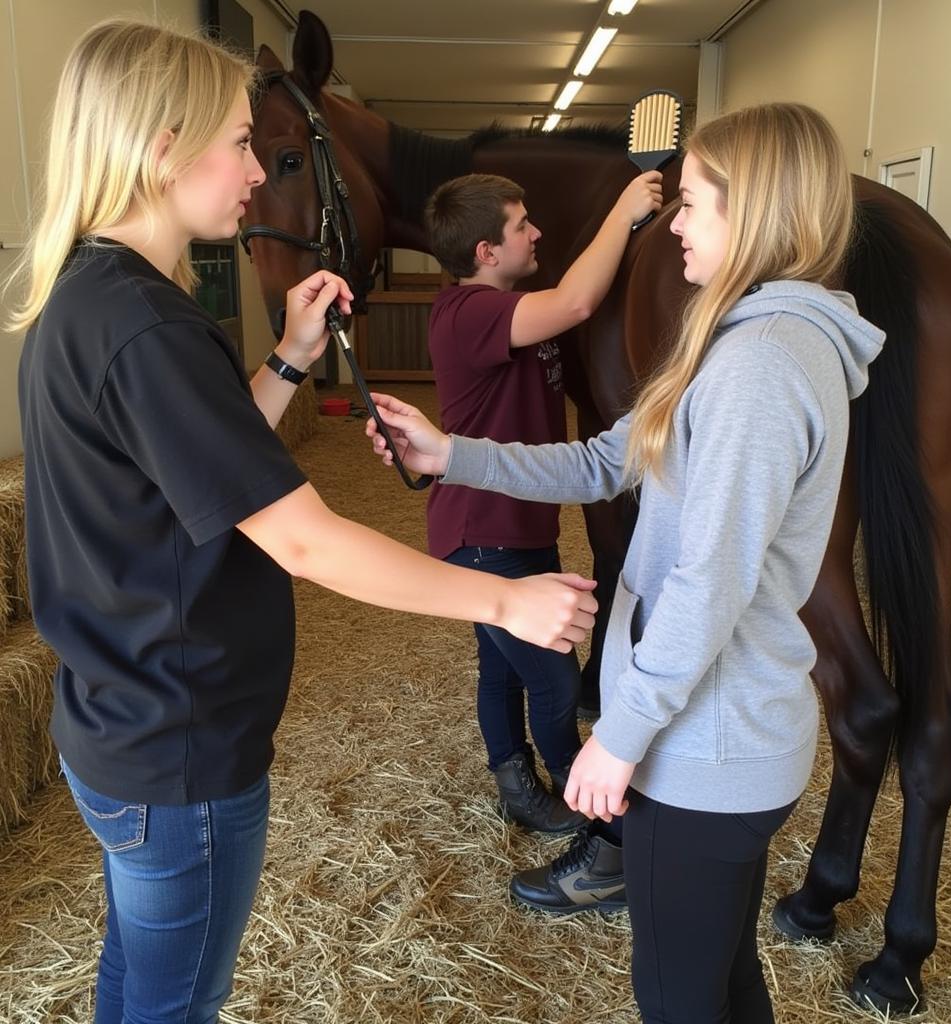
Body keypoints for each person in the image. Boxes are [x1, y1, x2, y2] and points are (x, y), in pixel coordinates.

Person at [6, 20, 597, 1024]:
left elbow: (199, 468)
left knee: (141, 981)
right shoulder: (147, 327)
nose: (251, 171)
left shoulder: (98, 300)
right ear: (161, 145)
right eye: (239, 143)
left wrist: (287, 357)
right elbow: (303, 536)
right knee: (181, 1001)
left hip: (127, 729)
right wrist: (505, 594)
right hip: (179, 753)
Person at [367, 103, 886, 1024]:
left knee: (676, 998)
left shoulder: (761, 363)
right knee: (723, 981)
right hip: (719, 738)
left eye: (693, 204)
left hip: (703, 749)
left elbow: (709, 583)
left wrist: (620, 733)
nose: (675, 223)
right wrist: (456, 455)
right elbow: (609, 458)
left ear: (758, 209)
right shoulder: (740, 338)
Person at [422, 170, 662, 834]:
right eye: (521, 224)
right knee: (555, 678)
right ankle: (594, 812)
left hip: (516, 522)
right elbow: (580, 301)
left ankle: (516, 787)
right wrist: (623, 210)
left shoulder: (509, 302)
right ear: (484, 253)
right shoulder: (468, 312)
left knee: (501, 667)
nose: (537, 232)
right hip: (483, 528)